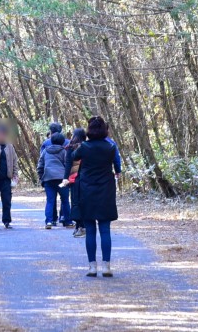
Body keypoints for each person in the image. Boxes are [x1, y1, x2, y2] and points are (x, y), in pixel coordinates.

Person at [75, 117, 121, 277]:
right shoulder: (110, 147)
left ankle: (92, 267)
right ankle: (106, 266)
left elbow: (73, 156)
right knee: (105, 229)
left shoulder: (84, 147)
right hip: (106, 190)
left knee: (90, 230)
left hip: (87, 190)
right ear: (105, 130)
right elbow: (117, 165)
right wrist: (117, 171)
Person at [37, 132, 70, 229]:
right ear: (63, 141)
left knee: (50, 201)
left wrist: (41, 177)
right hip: (62, 180)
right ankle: (67, 221)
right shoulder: (64, 151)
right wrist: (67, 177)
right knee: (65, 200)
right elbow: (67, 165)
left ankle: (49, 221)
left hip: (49, 179)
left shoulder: (45, 151)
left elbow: (40, 166)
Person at [63, 128, 87, 237]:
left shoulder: (70, 148)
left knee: (75, 202)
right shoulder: (87, 147)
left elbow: (68, 164)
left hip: (73, 178)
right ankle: (82, 226)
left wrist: (65, 178)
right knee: (83, 203)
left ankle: (79, 226)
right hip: (85, 179)